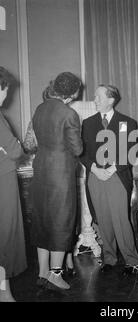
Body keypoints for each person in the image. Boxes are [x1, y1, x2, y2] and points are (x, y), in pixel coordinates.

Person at [80, 84, 138, 275]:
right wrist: (95, 169)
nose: (95, 100)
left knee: (121, 219)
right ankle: (109, 258)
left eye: (99, 97)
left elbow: (130, 151)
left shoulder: (127, 122)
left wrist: (112, 168)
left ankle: (132, 261)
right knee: (103, 219)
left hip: (117, 176)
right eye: (95, 97)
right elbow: (80, 152)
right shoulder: (88, 123)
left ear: (111, 100)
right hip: (95, 176)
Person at [30, 72, 83, 290]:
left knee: (42, 222)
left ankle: (42, 273)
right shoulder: (69, 113)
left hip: (40, 171)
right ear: (71, 94)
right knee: (62, 222)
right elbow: (77, 148)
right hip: (60, 175)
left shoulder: (40, 108)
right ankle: (55, 274)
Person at [0, 66, 27, 302]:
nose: (6, 95)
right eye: (5, 90)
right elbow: (17, 149)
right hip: (2, 182)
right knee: (5, 238)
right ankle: (5, 295)